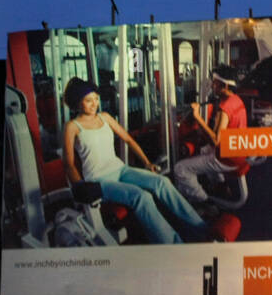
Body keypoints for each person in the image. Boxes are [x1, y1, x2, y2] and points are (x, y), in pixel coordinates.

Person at [61, 78, 209, 244]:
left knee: (162, 182)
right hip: (99, 179)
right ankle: (174, 244)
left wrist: (147, 163)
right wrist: (80, 187)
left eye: (96, 98)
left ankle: (201, 228)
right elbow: (69, 164)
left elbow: (129, 140)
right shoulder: (72, 126)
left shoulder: (105, 117)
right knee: (141, 197)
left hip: (121, 170)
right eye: (88, 100)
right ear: (77, 102)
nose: (94, 103)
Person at [174, 67, 248, 214]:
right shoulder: (236, 99)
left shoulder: (224, 107)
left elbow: (216, 140)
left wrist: (197, 117)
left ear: (224, 86)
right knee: (203, 150)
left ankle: (204, 202)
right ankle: (220, 186)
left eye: (215, 83)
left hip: (228, 158)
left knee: (180, 168)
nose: (212, 86)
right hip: (239, 151)